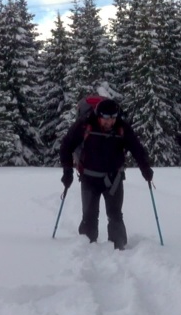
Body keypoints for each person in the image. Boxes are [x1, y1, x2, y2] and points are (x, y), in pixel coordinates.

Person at [59, 98, 154, 248]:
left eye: (113, 118)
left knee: (115, 215)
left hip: (113, 179)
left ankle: (119, 248)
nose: (110, 122)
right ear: (98, 115)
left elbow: (136, 148)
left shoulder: (122, 128)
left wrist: (145, 168)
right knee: (89, 216)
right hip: (89, 178)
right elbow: (66, 146)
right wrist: (67, 171)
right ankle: (86, 248)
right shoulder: (85, 124)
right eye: (106, 118)